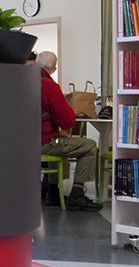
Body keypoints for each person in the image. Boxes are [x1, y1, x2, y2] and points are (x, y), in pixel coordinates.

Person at [38, 49, 102, 210]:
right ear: (54, 69)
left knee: (58, 142)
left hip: (28, 142)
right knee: (90, 146)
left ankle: (52, 193)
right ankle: (76, 195)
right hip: (45, 142)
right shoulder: (50, 86)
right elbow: (66, 120)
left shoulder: (24, 83)